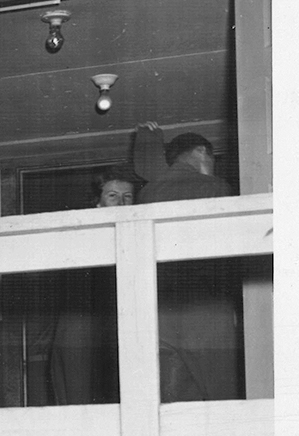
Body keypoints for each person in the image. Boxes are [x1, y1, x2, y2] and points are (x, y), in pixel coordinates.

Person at [135, 123, 241, 402]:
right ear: (201, 151)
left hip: (161, 313)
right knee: (220, 397)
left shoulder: (148, 193)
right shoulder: (216, 186)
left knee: (173, 404)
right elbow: (228, 252)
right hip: (207, 310)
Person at [49, 167, 143, 404]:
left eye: (128, 197)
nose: (121, 203)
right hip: (82, 332)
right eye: (113, 196)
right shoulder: (80, 238)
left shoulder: (140, 241)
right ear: (98, 204)